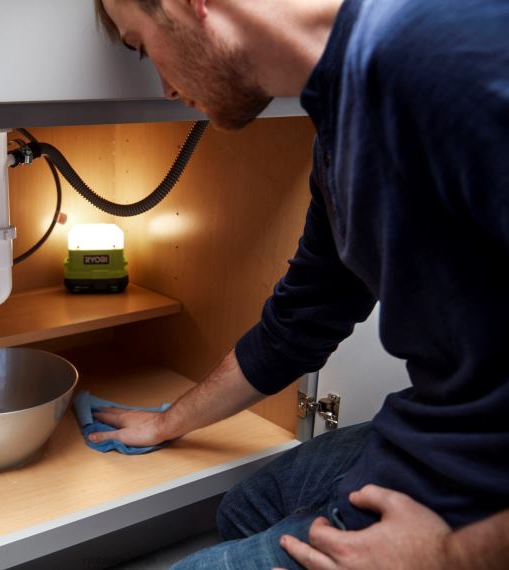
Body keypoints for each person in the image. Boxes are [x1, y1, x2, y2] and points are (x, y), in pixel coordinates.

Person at [91, 1, 509, 568]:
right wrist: (169, 420)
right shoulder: (342, 118)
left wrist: (449, 556)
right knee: (245, 508)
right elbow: (301, 321)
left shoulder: (443, 58)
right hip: (450, 430)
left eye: (141, 46)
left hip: (475, 503)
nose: (164, 87)